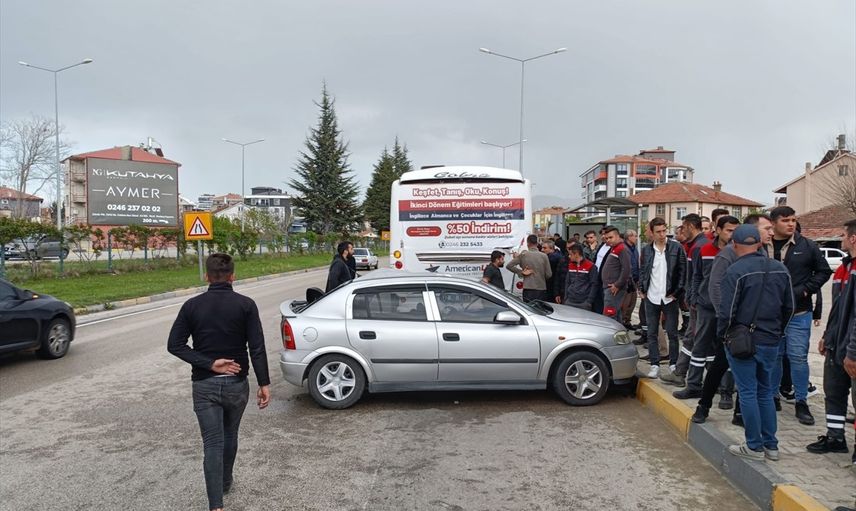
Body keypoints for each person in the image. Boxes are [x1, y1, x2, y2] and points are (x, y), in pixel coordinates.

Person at [167, 253, 271, 511]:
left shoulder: (192, 306)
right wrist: (264, 383)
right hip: (236, 384)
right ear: (233, 276)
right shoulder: (246, 305)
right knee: (230, 434)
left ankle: (216, 505)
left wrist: (209, 363)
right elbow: (257, 348)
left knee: (212, 443)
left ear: (207, 276)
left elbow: (175, 345)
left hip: (204, 384)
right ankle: (225, 481)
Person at [718, 224, 794, 461]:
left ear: (735, 244)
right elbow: (789, 307)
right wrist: (777, 331)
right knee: (765, 392)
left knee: (748, 392)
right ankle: (771, 445)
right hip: (771, 340)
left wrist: (724, 335)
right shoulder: (780, 269)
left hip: (743, 341)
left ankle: (753, 446)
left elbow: (727, 311)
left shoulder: (735, 271)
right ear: (759, 244)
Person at [693, 213, 775, 426]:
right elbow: (715, 286)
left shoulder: (764, 253)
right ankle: (703, 406)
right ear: (753, 231)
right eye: (767, 228)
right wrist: (726, 318)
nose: (771, 232)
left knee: (749, 371)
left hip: (755, 325)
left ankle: (739, 413)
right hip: (732, 324)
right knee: (720, 365)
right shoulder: (728, 254)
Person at [766, 206, 832, 426]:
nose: (791, 224)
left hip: (799, 313)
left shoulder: (807, 246)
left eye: (793, 220)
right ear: (773, 223)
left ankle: (801, 401)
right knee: (774, 357)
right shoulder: (763, 244)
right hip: (771, 315)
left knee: (798, 358)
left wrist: (805, 289)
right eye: (785, 220)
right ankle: (772, 397)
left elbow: (823, 272)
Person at [806, 218, 856, 463]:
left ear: (853, 238)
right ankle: (835, 438)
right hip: (837, 344)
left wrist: (852, 352)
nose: (842, 240)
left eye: (844, 236)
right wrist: (827, 336)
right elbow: (838, 309)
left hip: (851, 348)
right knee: (834, 392)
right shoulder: (845, 268)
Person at [674, 215, 740, 401]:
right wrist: (693, 299)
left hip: (729, 310)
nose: (732, 234)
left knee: (725, 350)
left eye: (735, 231)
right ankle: (693, 386)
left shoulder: (738, 252)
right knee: (699, 347)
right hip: (705, 307)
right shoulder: (704, 249)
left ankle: (725, 391)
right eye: (729, 230)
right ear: (717, 230)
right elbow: (696, 276)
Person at [639, 217, 686, 379]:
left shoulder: (676, 248)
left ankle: (673, 364)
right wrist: (642, 289)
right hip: (651, 296)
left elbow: (683, 272)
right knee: (652, 333)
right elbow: (643, 270)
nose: (662, 234)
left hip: (669, 297)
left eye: (664, 231)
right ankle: (655, 365)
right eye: (658, 232)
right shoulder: (646, 250)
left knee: (672, 333)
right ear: (652, 233)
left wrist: (676, 293)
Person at [673, 214, 709, 382]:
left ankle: (681, 373)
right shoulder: (698, 244)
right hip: (699, 299)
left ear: (691, 226)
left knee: (694, 337)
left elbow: (695, 276)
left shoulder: (697, 247)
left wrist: (691, 298)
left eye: (683, 227)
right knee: (694, 337)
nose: (682, 230)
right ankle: (680, 371)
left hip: (697, 301)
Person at [507, 234, 552, 302]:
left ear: (528, 243)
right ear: (537, 243)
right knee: (539, 307)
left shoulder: (523, 255)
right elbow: (549, 274)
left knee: (528, 307)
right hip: (541, 288)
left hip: (528, 288)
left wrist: (521, 272)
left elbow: (509, 266)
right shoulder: (544, 256)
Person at [600, 226, 631, 323]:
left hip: (614, 289)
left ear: (618, 236)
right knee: (615, 314)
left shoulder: (622, 249)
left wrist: (617, 285)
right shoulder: (614, 248)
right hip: (610, 287)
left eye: (611, 237)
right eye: (607, 238)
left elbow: (626, 269)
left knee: (609, 316)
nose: (608, 240)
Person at [555, 243, 599, 310]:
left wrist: (589, 301)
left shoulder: (591, 266)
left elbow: (594, 284)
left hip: (584, 302)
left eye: (570, 254)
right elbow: (567, 282)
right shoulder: (570, 265)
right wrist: (566, 298)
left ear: (576, 254)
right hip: (570, 301)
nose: (569, 256)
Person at [620, 229, 640, 330]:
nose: (636, 238)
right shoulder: (624, 248)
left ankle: (627, 321)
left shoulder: (634, 248)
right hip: (627, 281)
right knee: (625, 303)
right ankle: (621, 322)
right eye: (635, 236)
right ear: (629, 237)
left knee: (632, 303)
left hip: (635, 280)